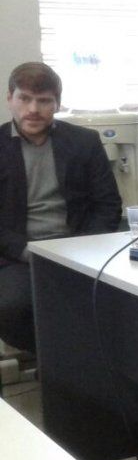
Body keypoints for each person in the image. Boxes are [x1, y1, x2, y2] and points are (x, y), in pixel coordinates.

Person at [1, 62, 122, 352]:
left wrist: (82, 248)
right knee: (12, 306)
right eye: (25, 99)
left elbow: (107, 204)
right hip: (17, 255)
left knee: (118, 300)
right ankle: (53, 359)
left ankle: (74, 363)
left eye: (44, 101)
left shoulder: (84, 142)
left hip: (79, 250)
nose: (33, 109)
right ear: (9, 99)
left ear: (57, 103)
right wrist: (25, 251)